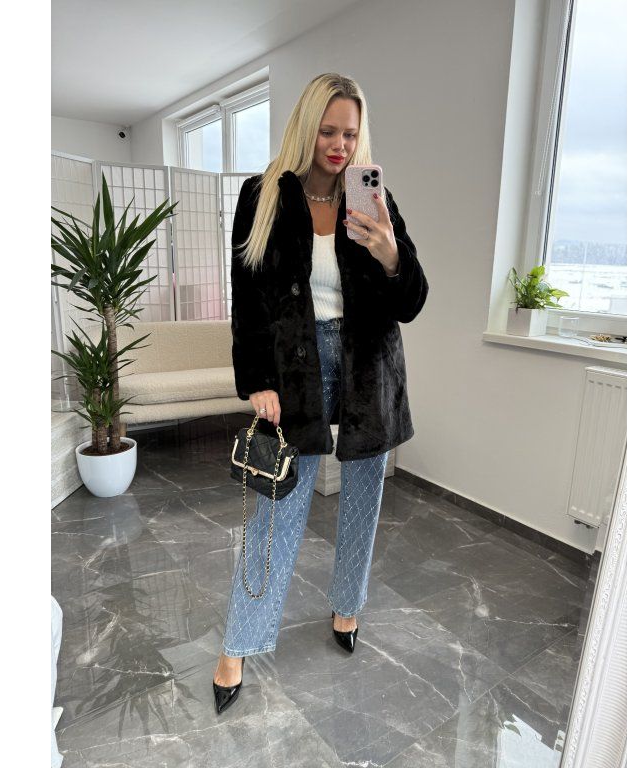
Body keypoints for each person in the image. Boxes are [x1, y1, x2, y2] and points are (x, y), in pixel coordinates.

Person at [212, 73, 428, 715]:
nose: (340, 145)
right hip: (296, 367)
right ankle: (239, 642)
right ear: (307, 128)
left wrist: (390, 253)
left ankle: (346, 607)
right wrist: (258, 380)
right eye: (329, 131)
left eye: (351, 134)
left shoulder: (373, 199)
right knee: (277, 509)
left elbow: (411, 301)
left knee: (364, 498)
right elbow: (248, 298)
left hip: (368, 366)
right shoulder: (263, 197)